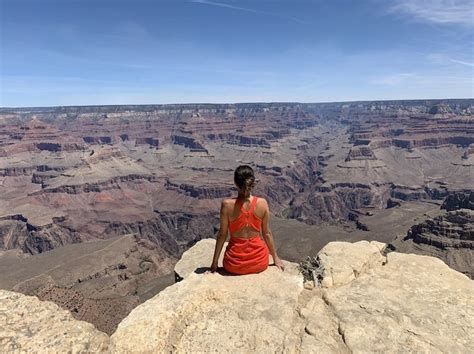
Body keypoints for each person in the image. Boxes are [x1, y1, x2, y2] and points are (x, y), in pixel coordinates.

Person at [208, 165, 285, 274]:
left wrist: (214, 264)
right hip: (259, 262)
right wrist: (275, 258)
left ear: (235, 183)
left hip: (234, 265)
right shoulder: (262, 203)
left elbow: (222, 235)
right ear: (252, 183)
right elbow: (267, 233)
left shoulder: (227, 205)